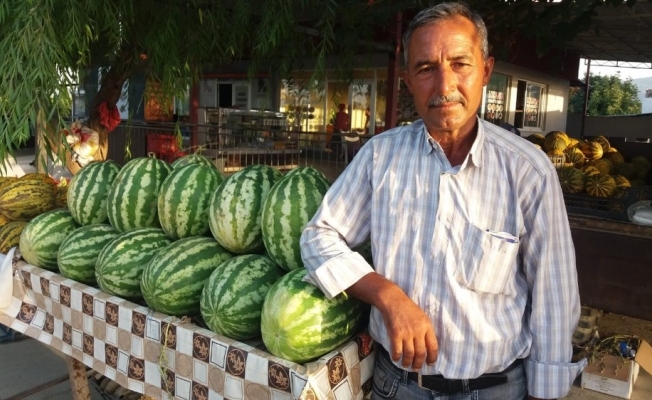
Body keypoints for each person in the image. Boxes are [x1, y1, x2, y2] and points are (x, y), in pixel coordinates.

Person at [300, 3, 585, 400]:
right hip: (399, 386)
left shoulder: (527, 170)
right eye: (426, 68)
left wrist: (545, 393)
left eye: (460, 64)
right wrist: (388, 297)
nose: (444, 85)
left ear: (486, 70)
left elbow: (554, 296)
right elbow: (318, 236)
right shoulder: (380, 156)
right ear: (407, 80)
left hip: (496, 389)